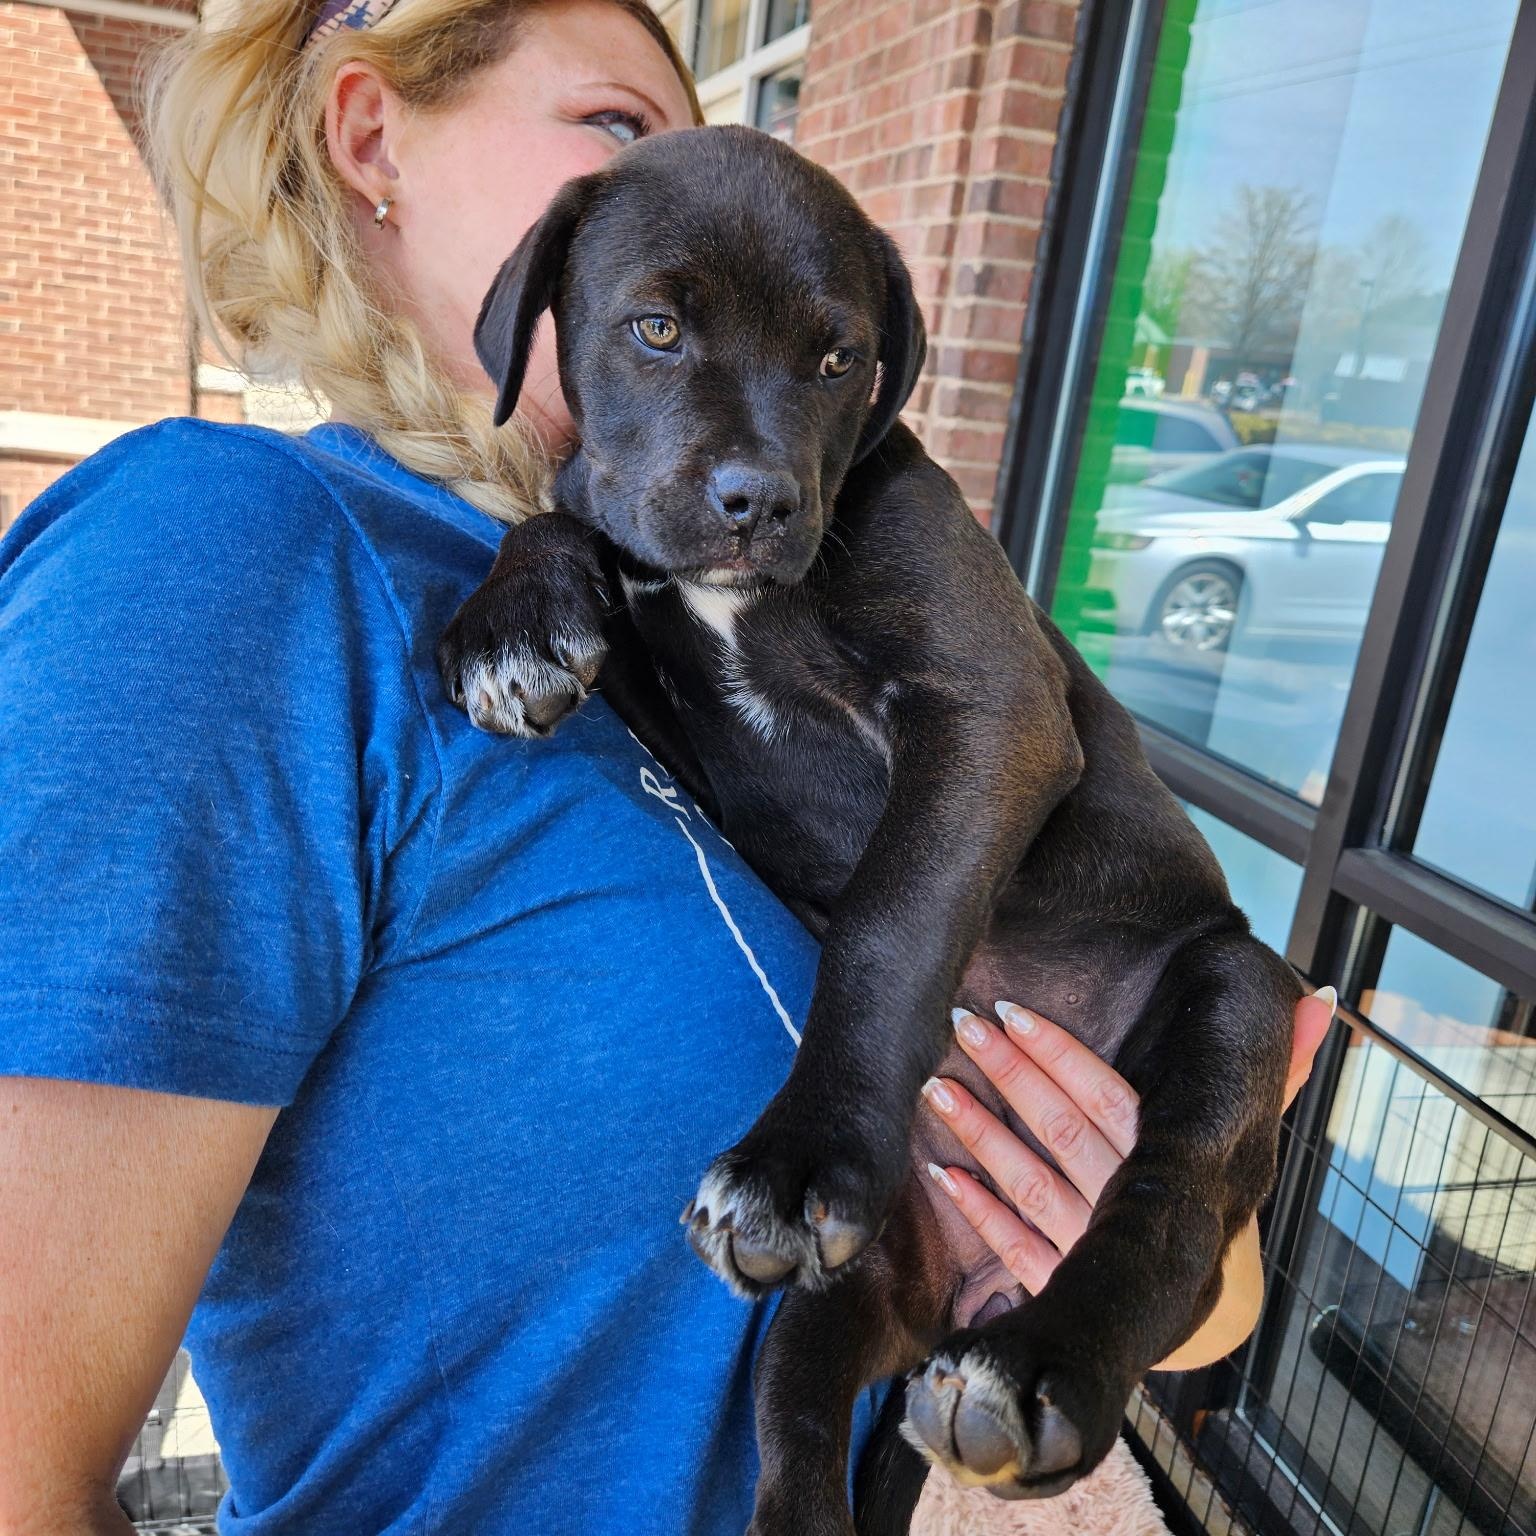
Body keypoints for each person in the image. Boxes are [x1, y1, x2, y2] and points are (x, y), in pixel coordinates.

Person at [0, 1, 1334, 1531]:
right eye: (626, 129)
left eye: (826, 360)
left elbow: (1184, 1276)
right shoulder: (229, 551)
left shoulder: (644, 571)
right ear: (372, 137)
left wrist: (1167, 1257)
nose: (699, 177)